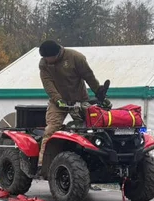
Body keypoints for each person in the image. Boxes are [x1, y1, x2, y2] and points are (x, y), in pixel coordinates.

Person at [37, 39, 109, 174]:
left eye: (48, 57)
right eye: (44, 58)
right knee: (51, 128)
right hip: (57, 101)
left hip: (79, 99)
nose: (46, 60)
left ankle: (93, 164)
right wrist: (58, 100)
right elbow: (48, 84)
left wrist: (99, 93)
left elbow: (89, 76)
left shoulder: (75, 57)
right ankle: (42, 164)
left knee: (90, 129)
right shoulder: (44, 64)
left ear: (57, 53)